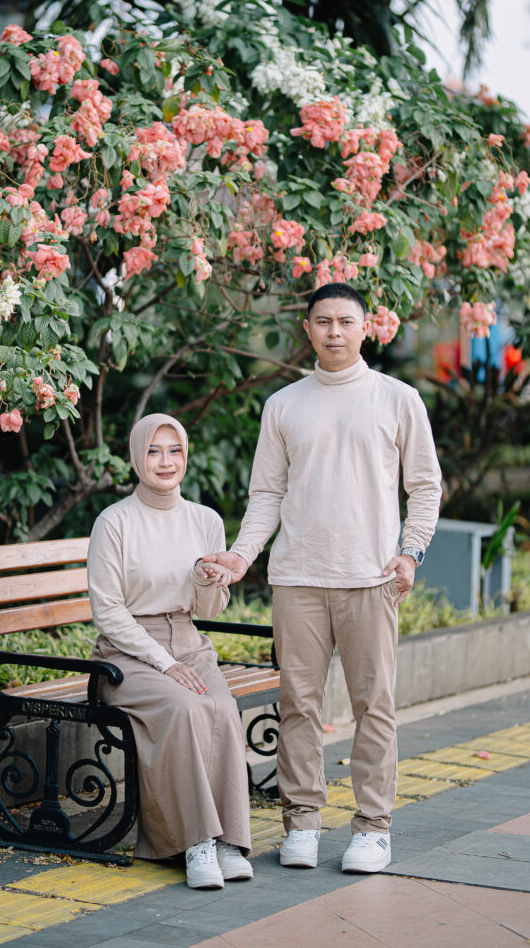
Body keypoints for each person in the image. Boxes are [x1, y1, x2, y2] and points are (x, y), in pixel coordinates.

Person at [202, 283, 442, 874]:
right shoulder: (284, 405)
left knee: (374, 706)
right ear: (306, 329)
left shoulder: (398, 398)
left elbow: (426, 488)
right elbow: (266, 495)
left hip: (371, 578)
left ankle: (373, 829)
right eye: (322, 321)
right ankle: (301, 823)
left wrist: (410, 552)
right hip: (298, 579)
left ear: (367, 328)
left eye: (346, 321)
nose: (334, 331)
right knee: (298, 707)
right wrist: (241, 555)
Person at [87, 412, 253, 889]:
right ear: (138, 458)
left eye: (174, 450)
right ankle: (193, 842)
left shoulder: (205, 519)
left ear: (186, 455)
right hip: (126, 654)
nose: (165, 461)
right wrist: (165, 663)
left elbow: (211, 607)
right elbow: (109, 613)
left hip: (188, 641)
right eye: (154, 451)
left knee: (221, 707)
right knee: (182, 707)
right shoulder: (114, 521)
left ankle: (228, 841)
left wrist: (205, 581)